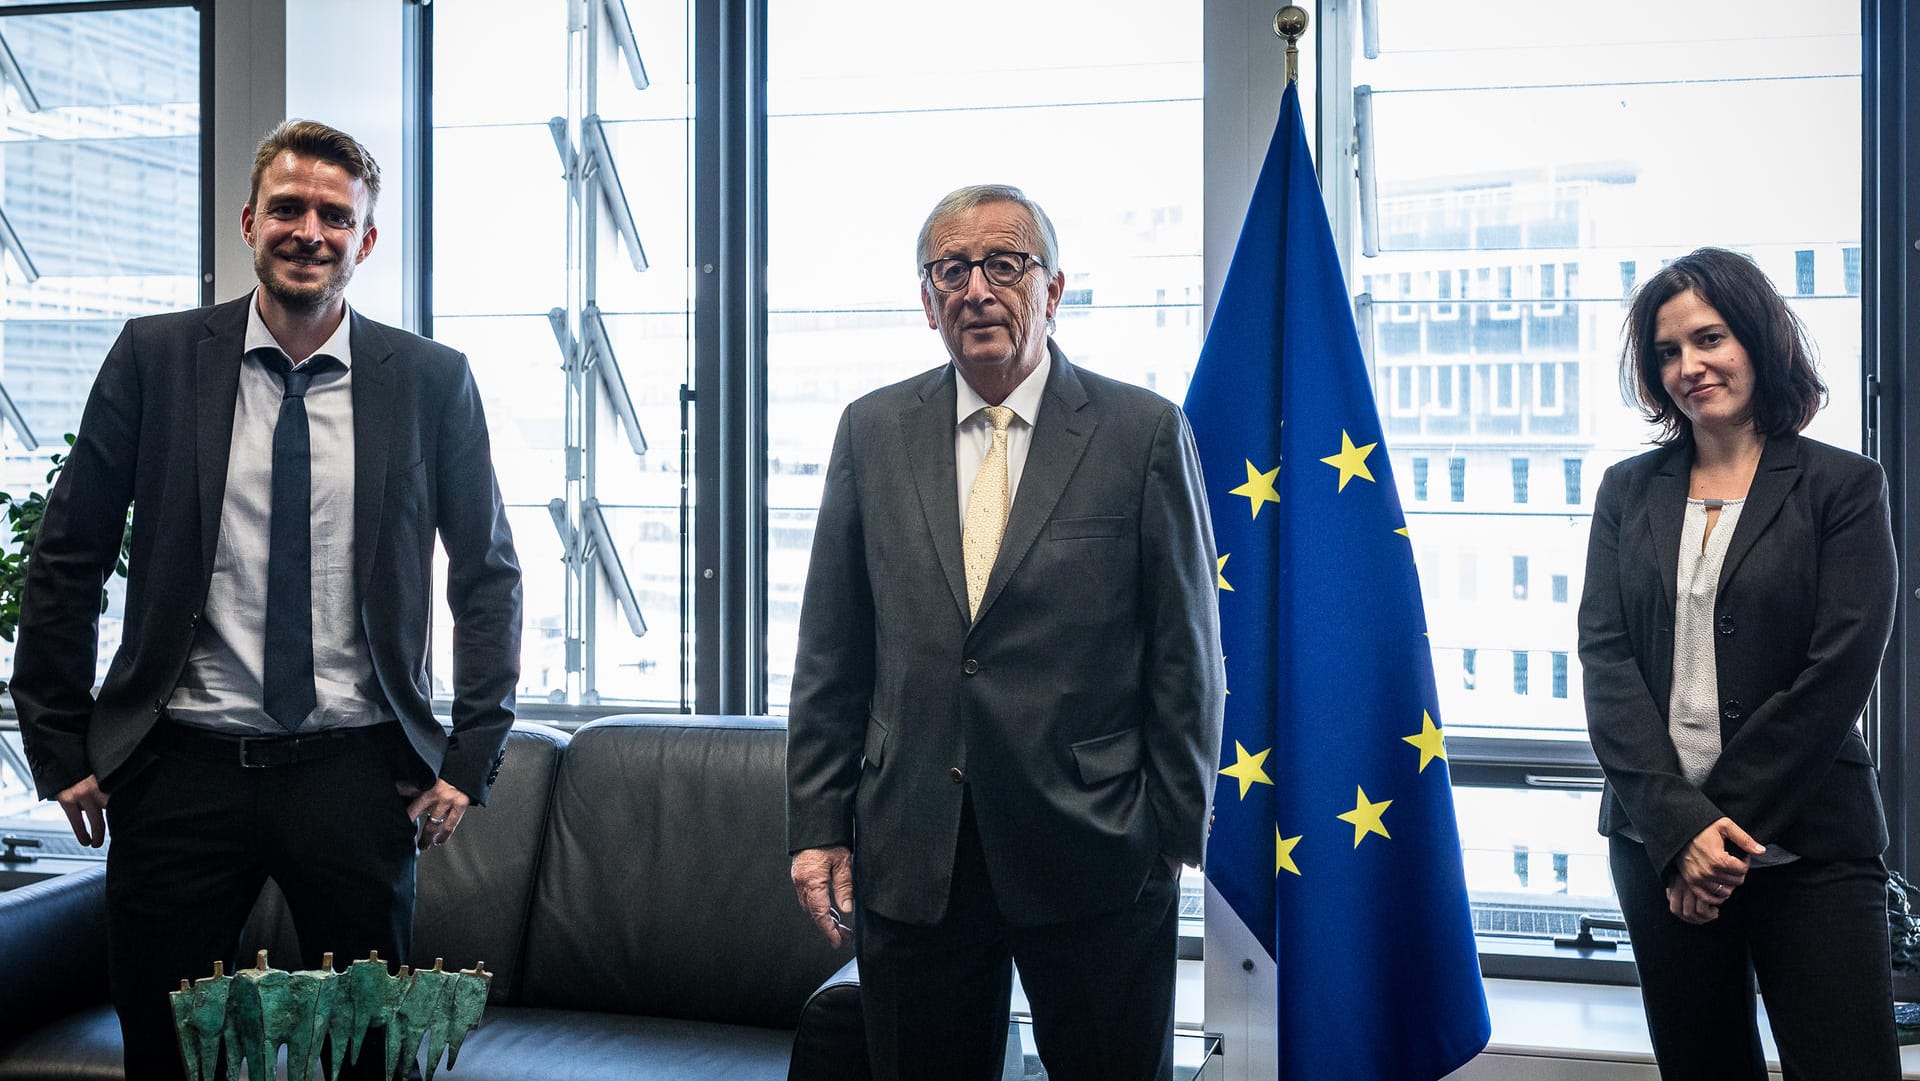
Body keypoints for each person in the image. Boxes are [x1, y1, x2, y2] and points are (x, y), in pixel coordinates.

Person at [11, 119, 522, 1081]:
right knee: (165, 1052)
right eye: (288, 208)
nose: (309, 231)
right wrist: (58, 737)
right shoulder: (155, 359)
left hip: (357, 774)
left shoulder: (429, 381)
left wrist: (472, 748)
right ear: (250, 221)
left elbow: (486, 572)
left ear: (365, 241)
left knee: (367, 1052)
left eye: (337, 215)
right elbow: (68, 552)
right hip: (179, 773)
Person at [785, 184, 1225, 1081]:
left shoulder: (1141, 432)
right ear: (926, 299)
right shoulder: (870, 431)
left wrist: (1176, 835)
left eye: (1004, 264)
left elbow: (1188, 652)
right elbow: (832, 651)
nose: (976, 287)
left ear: (1053, 289)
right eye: (951, 269)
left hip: (1097, 851)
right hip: (914, 849)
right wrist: (818, 825)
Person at [1578, 247, 1899, 1079]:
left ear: (1757, 339)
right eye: (1666, 352)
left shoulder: (1844, 487)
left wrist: (1710, 840)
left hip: (1811, 851)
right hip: (1658, 849)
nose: (1689, 366)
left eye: (1708, 338)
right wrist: (1678, 834)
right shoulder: (1626, 490)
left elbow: (1836, 675)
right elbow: (1607, 660)